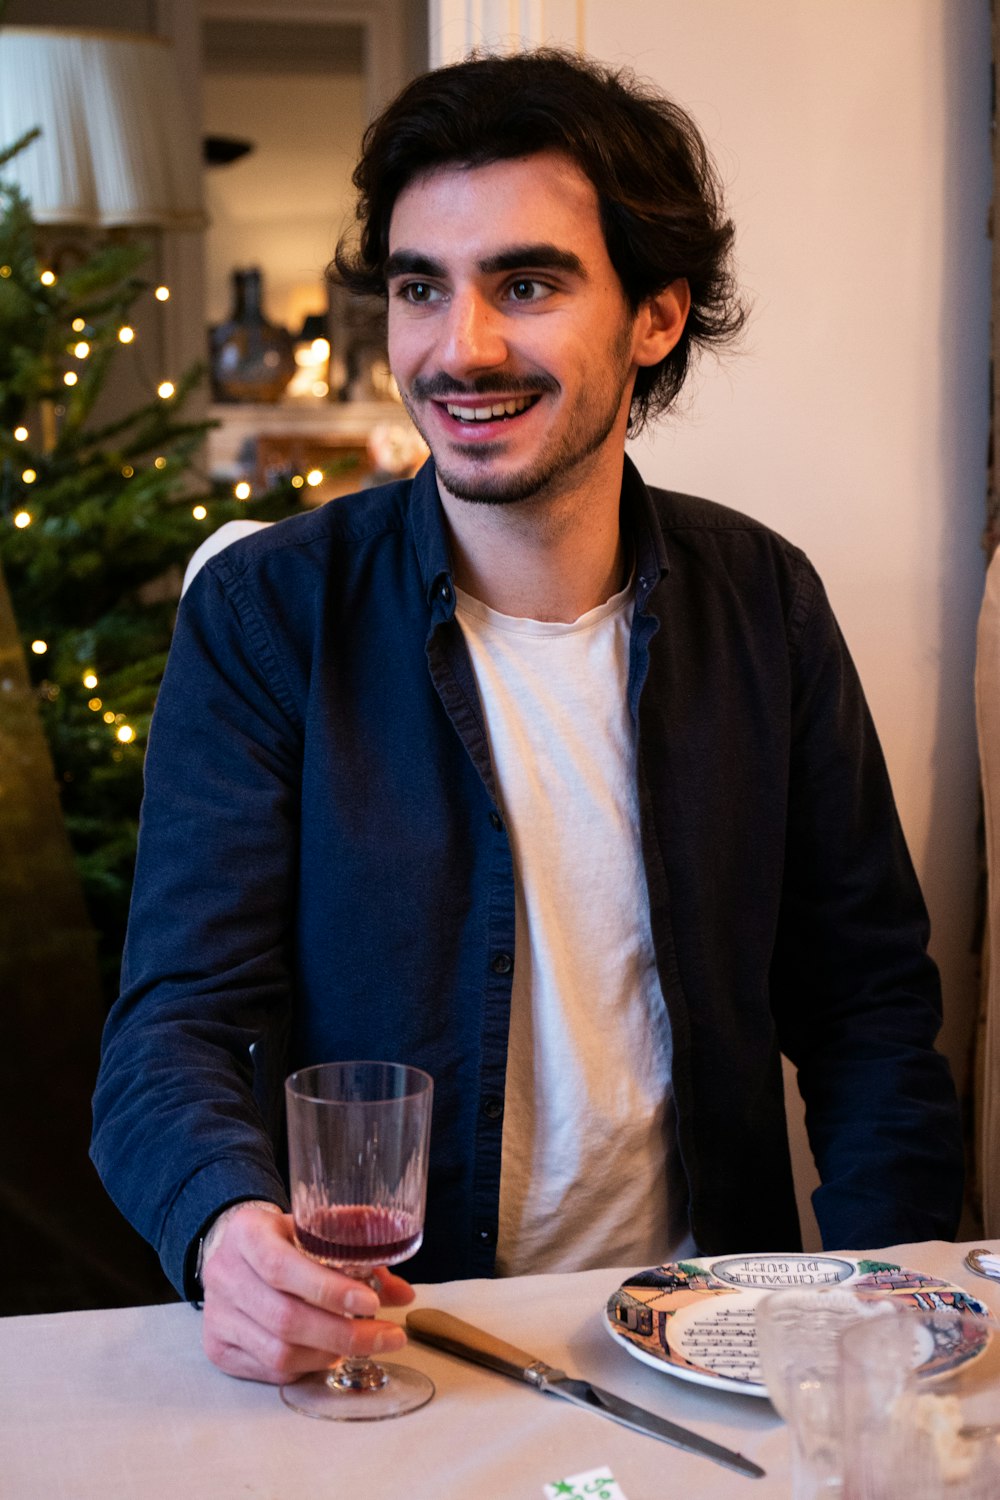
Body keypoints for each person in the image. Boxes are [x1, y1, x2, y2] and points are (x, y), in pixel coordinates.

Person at [91, 48, 964, 1386]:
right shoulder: (269, 618)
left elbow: (868, 1015)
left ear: (657, 317)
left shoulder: (766, 604)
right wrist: (223, 1230)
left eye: (530, 283)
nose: (462, 348)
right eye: (419, 288)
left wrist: (889, 1315)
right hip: (389, 1352)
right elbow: (172, 1030)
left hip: (698, 1352)